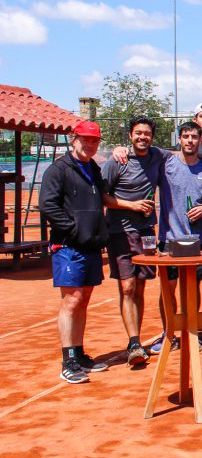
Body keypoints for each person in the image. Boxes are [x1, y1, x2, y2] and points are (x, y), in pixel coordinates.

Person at [39, 121, 111, 384]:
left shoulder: (92, 167)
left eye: (94, 141)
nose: (90, 145)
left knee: (84, 299)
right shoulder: (58, 169)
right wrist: (72, 229)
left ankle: (79, 353)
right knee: (72, 300)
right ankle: (67, 360)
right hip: (68, 246)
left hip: (90, 245)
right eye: (85, 140)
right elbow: (47, 205)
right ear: (74, 139)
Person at [101, 116, 162, 367]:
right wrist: (132, 205)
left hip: (147, 231)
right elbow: (103, 197)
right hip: (121, 231)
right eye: (138, 133)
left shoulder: (158, 156)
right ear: (130, 135)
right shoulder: (117, 161)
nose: (142, 137)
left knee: (140, 285)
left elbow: (182, 155)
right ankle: (134, 342)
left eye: (146, 133)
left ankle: (136, 340)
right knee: (126, 287)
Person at [155, 121, 202, 349]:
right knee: (168, 288)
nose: (190, 141)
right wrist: (122, 150)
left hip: (198, 239)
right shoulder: (166, 164)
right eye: (186, 136)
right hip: (170, 239)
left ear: (201, 140)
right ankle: (167, 333)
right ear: (179, 139)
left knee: (193, 287)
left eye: (194, 137)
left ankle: (192, 331)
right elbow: (145, 151)